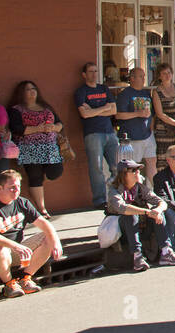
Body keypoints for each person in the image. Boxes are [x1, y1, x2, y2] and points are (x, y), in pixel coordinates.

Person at [105, 159, 175, 272]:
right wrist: (147, 212)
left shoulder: (140, 188)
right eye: (134, 170)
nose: (138, 172)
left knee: (158, 214)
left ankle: (166, 252)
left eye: (138, 170)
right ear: (124, 174)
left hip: (141, 227)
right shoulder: (114, 190)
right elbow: (123, 208)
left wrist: (157, 211)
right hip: (121, 231)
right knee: (130, 215)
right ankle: (137, 257)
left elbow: (162, 202)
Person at [0, 167, 63, 296]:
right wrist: (15, 246)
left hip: (17, 251)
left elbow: (45, 224)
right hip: (2, 252)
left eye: (18, 186)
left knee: (48, 237)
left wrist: (56, 242)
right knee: (0, 249)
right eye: (12, 187)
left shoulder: (22, 203)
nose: (17, 190)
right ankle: (9, 285)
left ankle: (26, 279)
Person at [8, 80, 64, 217]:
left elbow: (59, 123)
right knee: (35, 177)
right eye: (28, 89)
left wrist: (54, 128)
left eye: (34, 88)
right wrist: (38, 128)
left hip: (50, 148)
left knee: (55, 171)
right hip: (29, 148)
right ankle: (41, 208)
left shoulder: (45, 107)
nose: (32, 91)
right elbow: (17, 129)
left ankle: (42, 177)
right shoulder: (16, 109)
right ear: (21, 93)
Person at [74, 61, 120, 209]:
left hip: (110, 132)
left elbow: (113, 110)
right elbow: (84, 114)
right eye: (91, 72)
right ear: (84, 75)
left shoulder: (104, 88)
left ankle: (119, 195)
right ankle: (100, 200)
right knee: (97, 168)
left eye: (95, 71)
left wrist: (94, 110)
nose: (94, 74)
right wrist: (104, 107)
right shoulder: (81, 92)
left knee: (117, 165)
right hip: (93, 134)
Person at [115, 67, 157, 182]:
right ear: (132, 78)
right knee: (133, 166)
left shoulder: (146, 94)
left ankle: (154, 192)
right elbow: (119, 115)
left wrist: (151, 130)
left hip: (148, 134)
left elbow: (151, 115)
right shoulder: (125, 94)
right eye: (141, 76)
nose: (144, 79)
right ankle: (135, 192)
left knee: (152, 161)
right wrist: (137, 113)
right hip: (132, 136)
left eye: (144, 76)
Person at [151, 62, 175, 171]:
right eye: (164, 73)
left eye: (169, 72)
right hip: (164, 130)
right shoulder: (156, 91)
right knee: (165, 160)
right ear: (159, 76)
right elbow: (159, 113)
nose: (167, 75)